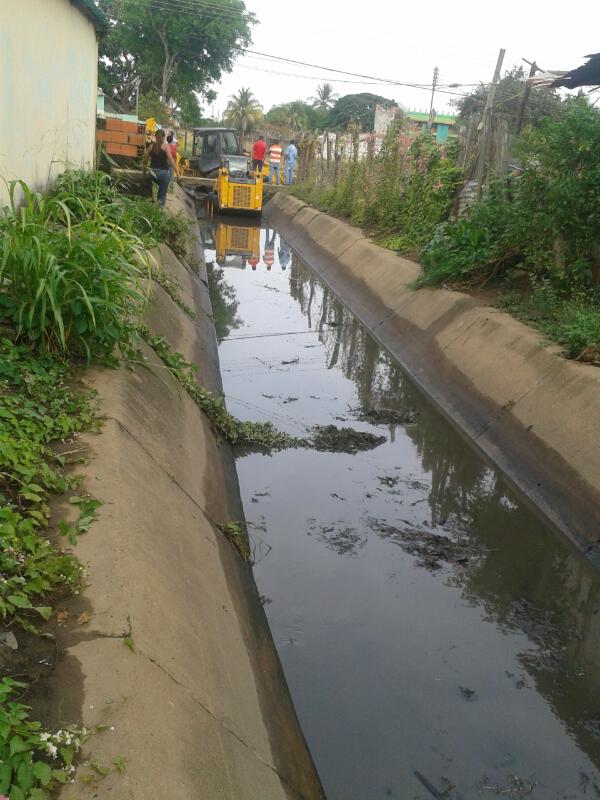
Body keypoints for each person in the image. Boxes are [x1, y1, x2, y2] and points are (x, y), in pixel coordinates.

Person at [144, 129, 177, 208]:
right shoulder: (165, 146)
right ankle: (160, 206)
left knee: (148, 186)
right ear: (163, 137)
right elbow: (171, 160)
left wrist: (144, 169)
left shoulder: (151, 146)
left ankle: (149, 199)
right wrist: (178, 172)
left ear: (155, 137)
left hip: (152, 173)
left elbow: (145, 158)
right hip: (163, 174)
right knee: (162, 192)